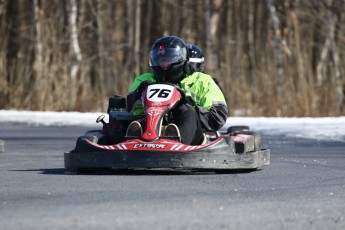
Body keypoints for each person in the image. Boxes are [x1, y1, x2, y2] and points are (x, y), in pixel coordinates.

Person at [126, 36, 228, 145]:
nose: (164, 65)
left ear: (180, 59)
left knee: (186, 111)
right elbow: (131, 110)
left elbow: (218, 116)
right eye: (161, 60)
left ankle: (175, 139)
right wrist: (138, 94)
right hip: (149, 128)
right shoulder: (144, 80)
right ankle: (134, 139)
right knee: (136, 120)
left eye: (168, 60)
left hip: (191, 135)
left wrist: (189, 105)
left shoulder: (202, 81)